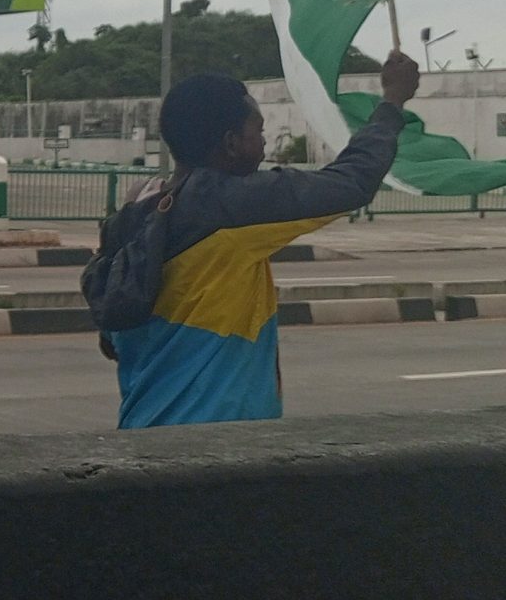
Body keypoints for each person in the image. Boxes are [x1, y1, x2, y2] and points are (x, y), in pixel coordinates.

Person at [108, 50, 420, 429]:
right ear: (231, 143)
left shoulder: (139, 211)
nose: (265, 145)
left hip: (141, 437)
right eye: (259, 132)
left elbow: (111, 341)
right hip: (212, 448)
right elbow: (351, 182)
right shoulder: (230, 206)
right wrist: (392, 103)